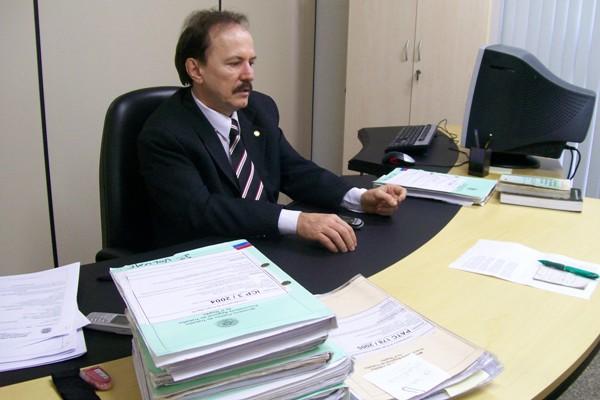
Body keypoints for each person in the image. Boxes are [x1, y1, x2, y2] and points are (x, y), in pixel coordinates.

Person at [138, 9, 406, 253]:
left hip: (264, 246)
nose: (249, 75)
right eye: (234, 63)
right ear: (195, 69)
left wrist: (358, 198)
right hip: (204, 257)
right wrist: (296, 221)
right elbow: (203, 211)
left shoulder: (259, 108)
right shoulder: (165, 133)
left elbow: (293, 170)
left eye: (251, 62)